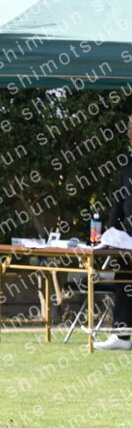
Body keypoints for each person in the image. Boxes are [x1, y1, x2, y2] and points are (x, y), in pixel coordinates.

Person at [96, 114, 132, 351]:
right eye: (130, 129)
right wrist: (109, 231)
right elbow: (119, 199)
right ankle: (122, 335)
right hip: (127, 237)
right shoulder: (127, 162)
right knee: (123, 278)